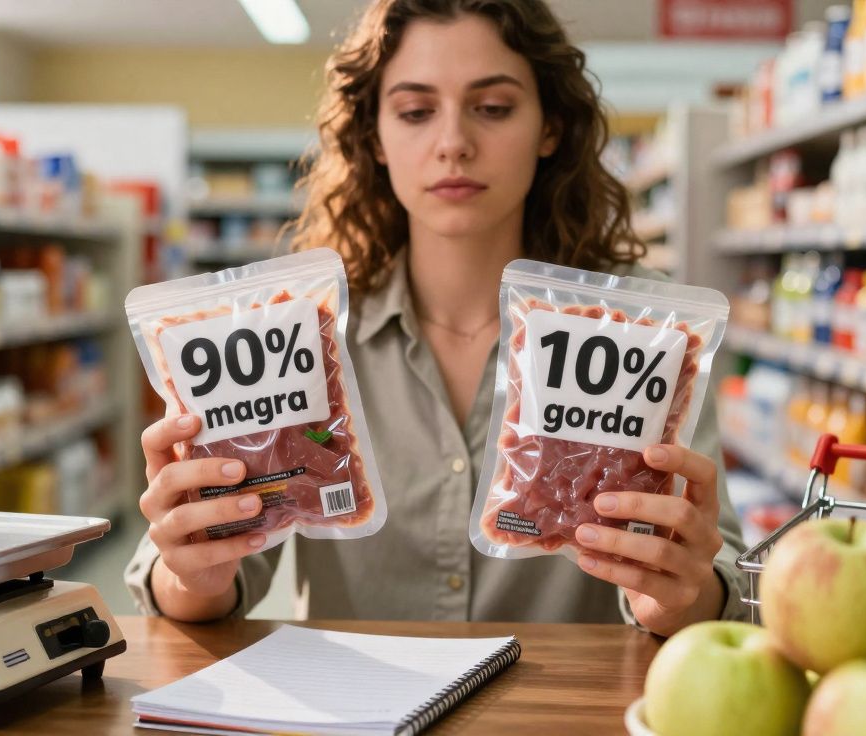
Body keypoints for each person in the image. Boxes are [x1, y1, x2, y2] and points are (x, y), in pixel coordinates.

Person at [126, 0, 748, 636]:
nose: (453, 143)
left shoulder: (646, 332)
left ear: (550, 127)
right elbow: (210, 579)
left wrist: (677, 592)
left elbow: (711, 576)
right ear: (375, 137)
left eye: (494, 107)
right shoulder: (292, 331)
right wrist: (191, 572)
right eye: (416, 112)